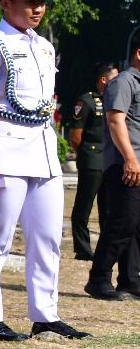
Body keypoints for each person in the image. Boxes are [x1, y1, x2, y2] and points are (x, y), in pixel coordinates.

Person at [0, 0, 89, 340]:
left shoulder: (44, 46)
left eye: (42, 2)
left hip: (42, 151)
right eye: (29, 2)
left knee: (47, 236)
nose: (37, 9)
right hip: (4, 151)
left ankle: (45, 314)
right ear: (6, 3)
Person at [83, 41, 140, 301]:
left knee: (135, 225)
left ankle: (130, 280)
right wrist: (129, 158)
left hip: (136, 163)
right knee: (122, 221)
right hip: (126, 164)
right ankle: (98, 278)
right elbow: (116, 121)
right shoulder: (124, 82)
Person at [68, 62, 119, 261]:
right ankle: (83, 249)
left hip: (109, 161)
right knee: (84, 207)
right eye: (114, 77)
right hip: (92, 160)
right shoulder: (87, 100)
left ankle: (106, 250)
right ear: (103, 79)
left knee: (108, 208)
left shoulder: (115, 100)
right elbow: (75, 136)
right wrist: (86, 156)